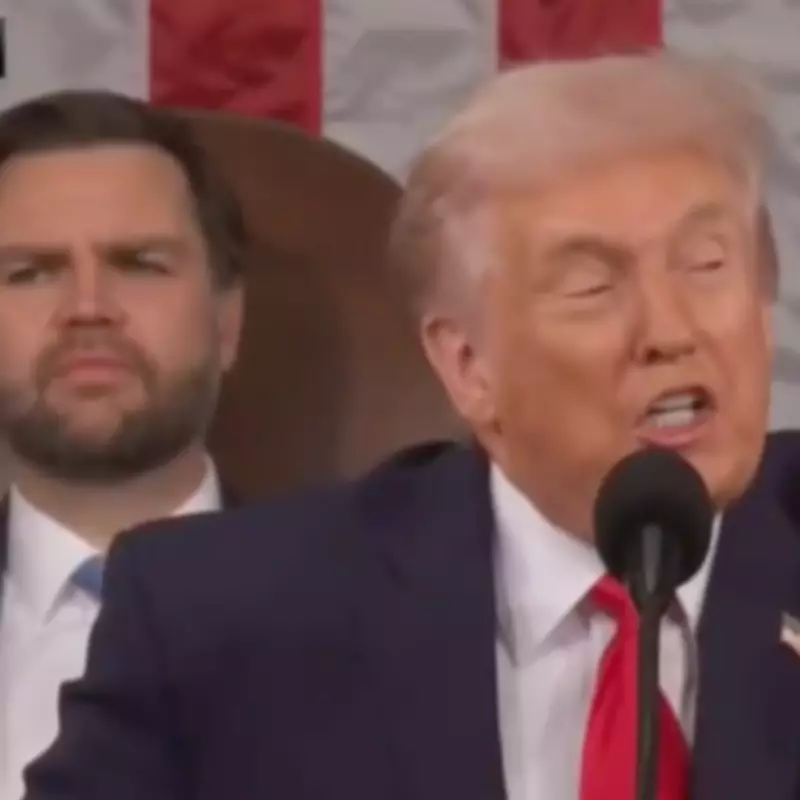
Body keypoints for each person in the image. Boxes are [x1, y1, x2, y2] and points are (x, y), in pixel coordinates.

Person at [22, 51, 800, 800]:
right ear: (469, 366)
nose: (670, 330)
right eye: (592, 286)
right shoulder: (217, 622)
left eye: (707, 265)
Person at [0, 90, 247, 798]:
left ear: (227, 321)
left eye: (139, 263)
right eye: (30, 272)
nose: (87, 309)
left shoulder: (379, 623)